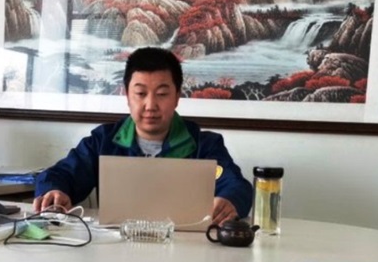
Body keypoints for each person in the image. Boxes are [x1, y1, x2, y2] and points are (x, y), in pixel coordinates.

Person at [33, 47, 253, 225]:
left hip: (185, 251)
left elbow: (237, 186)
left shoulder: (204, 145)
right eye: (140, 93)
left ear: (177, 96)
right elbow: (61, 174)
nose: (150, 105)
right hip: (116, 250)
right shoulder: (103, 141)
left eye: (162, 94)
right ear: (127, 95)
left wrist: (229, 201)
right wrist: (55, 191)